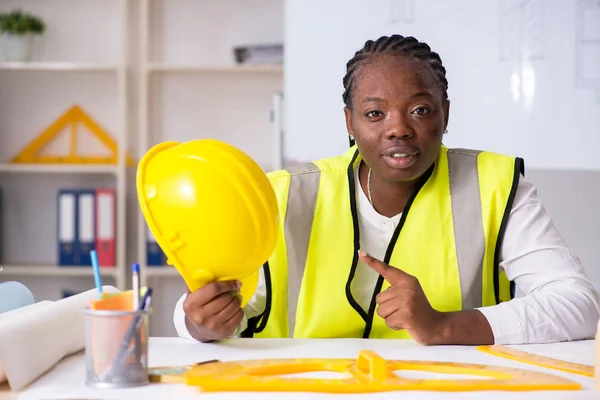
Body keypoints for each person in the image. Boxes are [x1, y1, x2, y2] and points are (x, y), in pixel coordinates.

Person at [173, 34, 600, 345]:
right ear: (349, 123)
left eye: (419, 110)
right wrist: (200, 322)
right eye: (375, 113)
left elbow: (578, 305)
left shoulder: (496, 185)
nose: (398, 129)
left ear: (445, 114)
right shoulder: (283, 195)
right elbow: (207, 308)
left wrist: (444, 325)